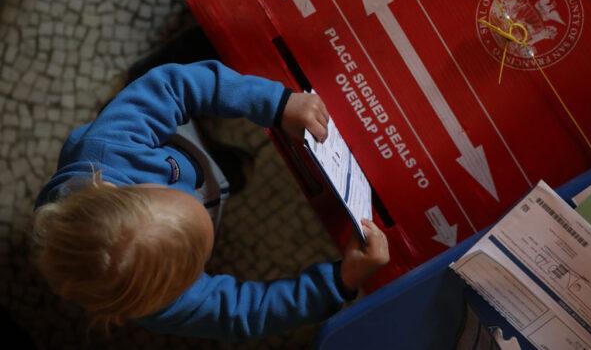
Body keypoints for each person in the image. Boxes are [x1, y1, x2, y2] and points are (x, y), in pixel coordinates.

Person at [31, 60, 390, 340]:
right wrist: (339, 281)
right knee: (229, 172)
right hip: (191, 161)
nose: (194, 200)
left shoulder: (110, 147)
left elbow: (174, 86)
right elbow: (241, 314)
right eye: (201, 266)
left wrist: (276, 104)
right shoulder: (160, 302)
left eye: (176, 192)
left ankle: (222, 165)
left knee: (157, 83)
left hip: (175, 141)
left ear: (117, 187)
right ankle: (227, 171)